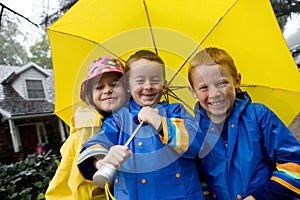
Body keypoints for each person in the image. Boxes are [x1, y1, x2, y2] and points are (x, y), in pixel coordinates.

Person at [77, 50, 205, 199]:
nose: (148, 86)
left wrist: (160, 123)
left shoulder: (176, 111)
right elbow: (97, 143)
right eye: (140, 81)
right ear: (127, 85)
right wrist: (103, 161)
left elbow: (197, 144)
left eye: (155, 79)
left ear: (164, 83)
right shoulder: (119, 118)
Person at [188, 47, 300, 199]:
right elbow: (200, 181)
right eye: (203, 87)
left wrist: (259, 197)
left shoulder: (259, 115)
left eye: (221, 83)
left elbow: (294, 165)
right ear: (193, 91)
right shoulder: (195, 132)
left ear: (237, 80)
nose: (214, 94)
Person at [45, 56, 128, 200]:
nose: (108, 90)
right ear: (90, 95)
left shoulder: (124, 124)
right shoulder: (88, 127)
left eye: (114, 84)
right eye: (99, 87)